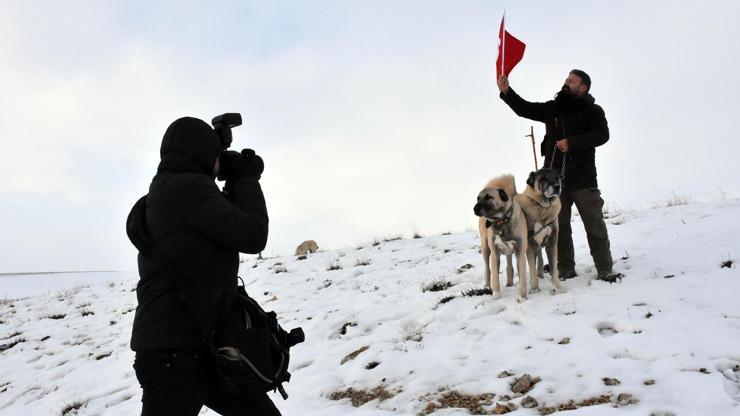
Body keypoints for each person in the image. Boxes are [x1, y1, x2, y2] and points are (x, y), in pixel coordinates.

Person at [128, 116, 281, 415]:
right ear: (202, 154)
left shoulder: (173, 191)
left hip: (198, 348)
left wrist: (234, 180)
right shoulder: (188, 190)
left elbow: (225, 224)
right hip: (173, 355)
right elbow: (253, 236)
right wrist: (247, 180)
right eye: (216, 155)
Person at [497, 70, 619, 282]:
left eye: (571, 80)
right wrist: (507, 92)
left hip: (583, 179)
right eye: (566, 79)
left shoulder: (593, 110)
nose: (566, 82)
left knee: (594, 225)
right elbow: (524, 108)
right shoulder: (552, 109)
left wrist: (571, 143)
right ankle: (564, 269)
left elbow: (602, 135)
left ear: (583, 87)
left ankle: (605, 269)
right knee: (557, 227)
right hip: (553, 182)